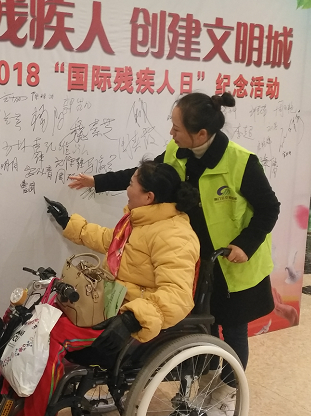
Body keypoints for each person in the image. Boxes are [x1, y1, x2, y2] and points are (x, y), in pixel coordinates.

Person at [68, 92, 280, 413]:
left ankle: (227, 391)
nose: (171, 132)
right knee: (200, 326)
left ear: (201, 134)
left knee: (233, 328)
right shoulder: (177, 151)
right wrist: (97, 181)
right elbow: (142, 175)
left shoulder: (241, 163)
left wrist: (244, 245)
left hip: (233, 263)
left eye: (177, 127)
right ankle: (201, 381)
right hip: (192, 257)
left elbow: (269, 208)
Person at [23, 160, 200, 416]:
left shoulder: (175, 236)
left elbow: (177, 295)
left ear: (148, 197)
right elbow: (111, 241)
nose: (127, 189)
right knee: (40, 314)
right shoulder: (141, 221)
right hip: (107, 303)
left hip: (125, 317)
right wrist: (69, 223)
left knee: (50, 338)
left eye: (131, 184)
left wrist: (132, 318)